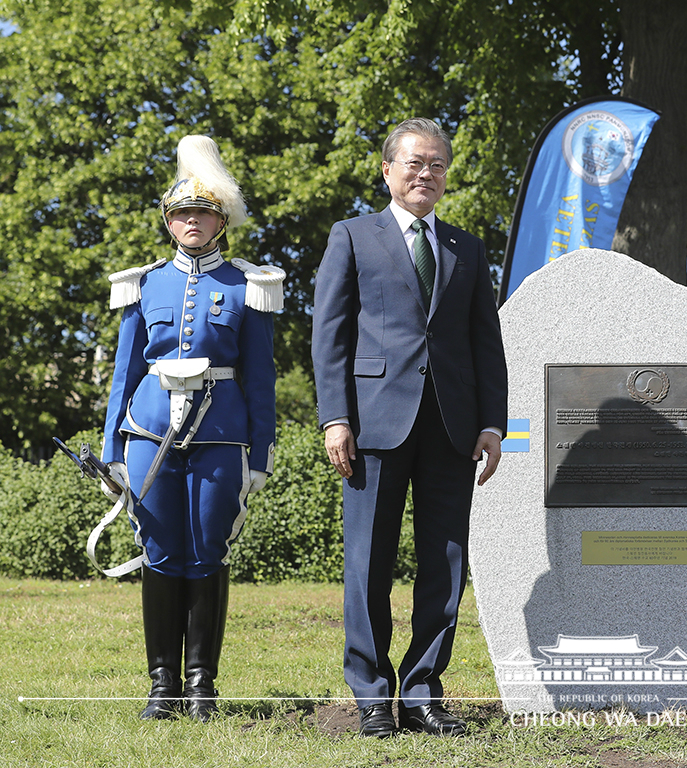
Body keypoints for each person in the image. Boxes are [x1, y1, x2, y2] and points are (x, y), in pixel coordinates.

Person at [312, 117, 508, 738]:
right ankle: (371, 694)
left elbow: (486, 343)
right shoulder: (352, 236)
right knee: (368, 561)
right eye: (415, 163)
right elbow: (330, 336)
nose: (427, 174)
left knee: (444, 563)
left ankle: (423, 691)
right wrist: (335, 416)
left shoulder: (465, 248)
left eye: (438, 165)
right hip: (372, 425)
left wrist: (493, 426)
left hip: (452, 427)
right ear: (388, 170)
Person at [101, 135, 284, 721]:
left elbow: (261, 379)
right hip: (149, 434)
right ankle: (163, 686)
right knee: (158, 554)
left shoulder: (247, 285)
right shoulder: (144, 283)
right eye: (181, 213)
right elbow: (124, 373)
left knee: (207, 553)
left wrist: (260, 455)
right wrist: (111, 452)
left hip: (221, 435)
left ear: (221, 220)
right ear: (168, 222)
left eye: (203, 212)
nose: (191, 221)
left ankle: (202, 685)